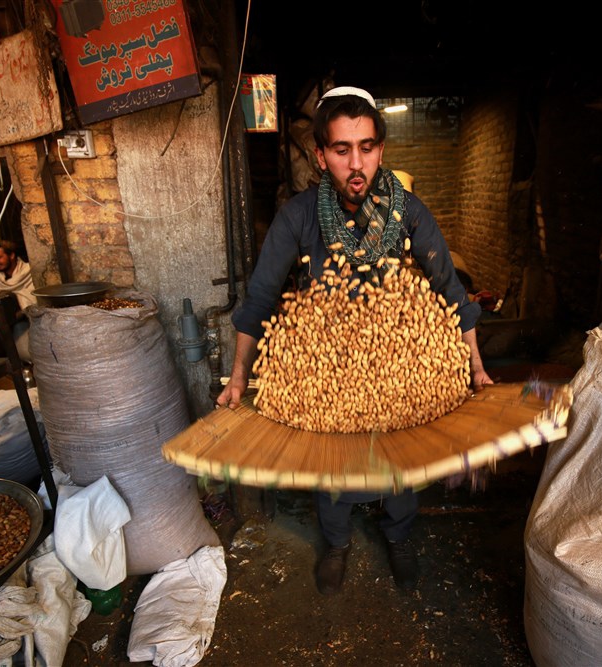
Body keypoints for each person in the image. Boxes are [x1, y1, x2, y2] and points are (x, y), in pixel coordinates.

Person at [216, 86, 494, 595]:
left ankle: (400, 537)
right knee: (333, 469)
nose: (356, 162)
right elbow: (258, 299)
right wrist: (238, 378)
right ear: (321, 157)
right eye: (342, 150)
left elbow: (452, 294)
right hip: (326, 370)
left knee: (402, 467)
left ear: (381, 151)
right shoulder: (299, 217)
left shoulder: (409, 213)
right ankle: (338, 543)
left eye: (366, 147)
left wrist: (475, 366)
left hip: (400, 366)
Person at [0, 240, 37, 363]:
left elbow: (33, 299)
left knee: (25, 354)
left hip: (24, 320)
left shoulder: (29, 272)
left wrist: (10, 313)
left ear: (11, 255)